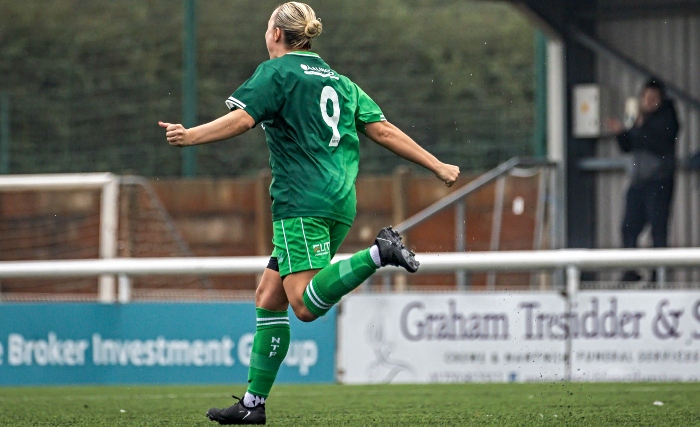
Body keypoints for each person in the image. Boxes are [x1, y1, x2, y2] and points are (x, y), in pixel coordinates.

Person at [159, 2, 459, 424]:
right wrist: (438, 166)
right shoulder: (340, 81)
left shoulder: (277, 73)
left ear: (277, 34)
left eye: (267, 28)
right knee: (269, 295)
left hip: (301, 202)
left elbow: (242, 120)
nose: (265, 35)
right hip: (340, 201)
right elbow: (383, 130)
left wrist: (189, 137)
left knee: (302, 303)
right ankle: (252, 405)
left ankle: (379, 253)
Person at [608, 78, 679, 283]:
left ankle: (659, 275)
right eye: (646, 97)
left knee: (658, 229)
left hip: (659, 181)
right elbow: (628, 145)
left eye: (653, 98)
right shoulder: (640, 120)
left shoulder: (666, 119)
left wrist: (639, 128)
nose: (649, 101)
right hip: (637, 182)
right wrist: (621, 133)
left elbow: (656, 141)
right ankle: (630, 270)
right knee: (628, 227)